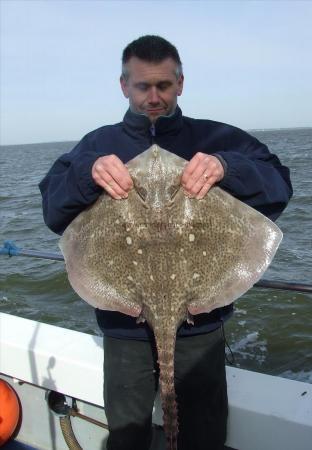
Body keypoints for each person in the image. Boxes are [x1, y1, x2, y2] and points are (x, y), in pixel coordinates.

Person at [39, 35, 292, 450]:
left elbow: (278, 184)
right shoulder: (97, 146)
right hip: (123, 327)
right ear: (124, 85)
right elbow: (54, 211)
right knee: (127, 433)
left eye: (164, 86)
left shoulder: (217, 139)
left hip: (201, 323)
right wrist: (88, 174)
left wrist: (226, 167)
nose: (153, 97)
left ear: (180, 83)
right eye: (142, 87)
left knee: (205, 433)